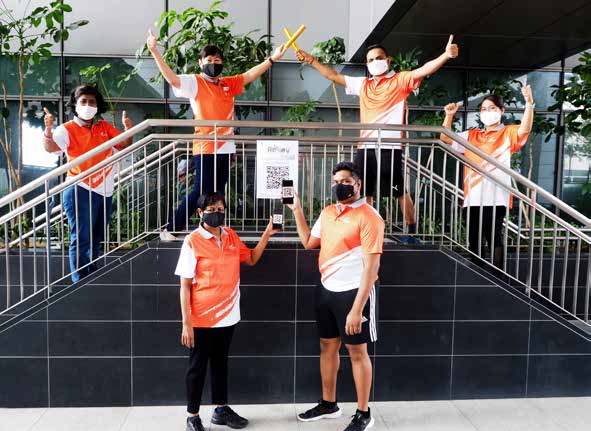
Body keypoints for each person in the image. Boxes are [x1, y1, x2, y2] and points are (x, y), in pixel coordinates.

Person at [296, 36, 459, 243]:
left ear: (388, 60)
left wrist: (445, 55)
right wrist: (310, 59)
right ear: (367, 64)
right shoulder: (363, 84)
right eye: (371, 60)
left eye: (379, 58)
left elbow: (424, 70)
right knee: (366, 191)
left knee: (399, 191)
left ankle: (411, 232)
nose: (375, 62)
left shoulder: (400, 80)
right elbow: (333, 75)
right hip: (366, 148)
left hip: (390, 147)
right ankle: (370, 232)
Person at [146, 30, 288, 240]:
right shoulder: (195, 82)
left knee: (217, 193)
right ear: (200, 62)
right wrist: (155, 51)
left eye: (218, 59)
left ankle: (212, 229)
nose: (214, 63)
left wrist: (272, 59)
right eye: (209, 59)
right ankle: (172, 228)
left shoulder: (227, 84)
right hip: (205, 145)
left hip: (225, 146)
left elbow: (249, 75)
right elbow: (173, 80)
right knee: (200, 191)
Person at [287, 161, 384, 431]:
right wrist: (297, 211)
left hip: (355, 292)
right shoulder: (329, 212)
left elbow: (371, 269)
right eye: (335, 181)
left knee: (357, 353)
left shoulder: (369, 216)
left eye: (345, 180)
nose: (339, 185)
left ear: (358, 184)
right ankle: (329, 404)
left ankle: (364, 413)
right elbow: (308, 242)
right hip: (326, 289)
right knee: (326, 347)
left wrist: (357, 310)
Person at [174, 191, 277, 431]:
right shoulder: (192, 241)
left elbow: (251, 258)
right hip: (202, 318)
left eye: (220, 207)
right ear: (200, 213)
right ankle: (193, 416)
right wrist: (187, 322)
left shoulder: (230, 235)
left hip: (229, 315)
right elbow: (185, 285)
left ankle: (221, 409)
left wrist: (267, 234)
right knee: (197, 368)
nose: (217, 212)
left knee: (221, 364)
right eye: (211, 208)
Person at [43, 85, 133, 282]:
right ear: (75, 104)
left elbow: (124, 144)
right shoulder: (66, 128)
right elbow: (51, 148)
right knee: (82, 236)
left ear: (97, 105)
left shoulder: (104, 126)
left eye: (91, 102)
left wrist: (128, 130)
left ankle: (91, 276)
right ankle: (79, 280)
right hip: (79, 187)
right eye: (83, 101)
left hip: (105, 190)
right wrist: (48, 130)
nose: (87, 105)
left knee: (96, 236)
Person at [440, 86, 534, 269]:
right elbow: (445, 138)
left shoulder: (507, 133)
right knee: (474, 237)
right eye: (483, 108)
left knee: (493, 236)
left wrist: (529, 104)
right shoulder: (472, 135)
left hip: (497, 196)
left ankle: (497, 276)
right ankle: (477, 273)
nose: (487, 112)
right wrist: (449, 115)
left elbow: (525, 129)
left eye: (492, 108)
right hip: (473, 196)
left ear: (501, 111)